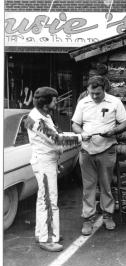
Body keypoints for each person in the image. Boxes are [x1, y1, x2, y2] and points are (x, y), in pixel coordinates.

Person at [72, 75, 126, 235]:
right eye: (92, 93)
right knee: (88, 187)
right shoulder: (83, 102)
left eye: (98, 93)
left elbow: (125, 123)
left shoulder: (115, 102)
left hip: (107, 148)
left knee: (106, 185)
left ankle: (107, 216)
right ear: (88, 90)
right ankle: (88, 219)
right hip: (87, 150)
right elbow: (75, 124)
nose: (95, 96)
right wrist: (82, 132)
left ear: (105, 89)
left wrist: (114, 131)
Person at [24, 87, 64, 252]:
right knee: (49, 201)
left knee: (44, 199)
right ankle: (47, 238)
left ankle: (43, 232)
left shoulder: (42, 115)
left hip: (47, 162)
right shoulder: (36, 119)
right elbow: (55, 139)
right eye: (54, 100)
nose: (57, 102)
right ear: (46, 103)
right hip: (44, 163)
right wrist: (82, 138)